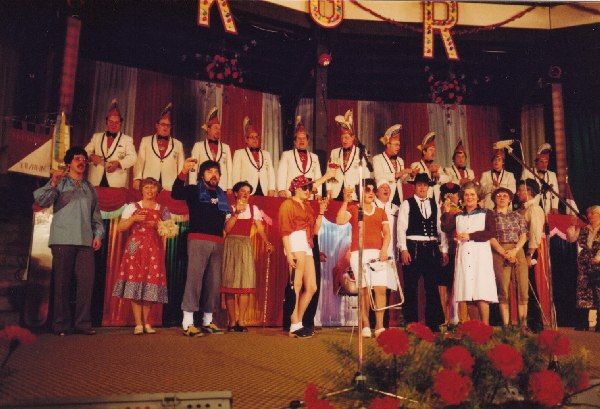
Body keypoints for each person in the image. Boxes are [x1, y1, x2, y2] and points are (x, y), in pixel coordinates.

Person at [33, 146, 104, 336]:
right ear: (69, 163)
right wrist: (53, 182)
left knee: (86, 284)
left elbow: (96, 216)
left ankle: (83, 323)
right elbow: (41, 200)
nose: (81, 162)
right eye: (77, 159)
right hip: (63, 239)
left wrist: (98, 235)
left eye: (83, 159)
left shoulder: (90, 188)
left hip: (85, 242)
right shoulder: (60, 183)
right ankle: (61, 325)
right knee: (62, 284)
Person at [172, 159, 230, 336]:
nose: (214, 175)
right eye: (209, 171)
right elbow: (175, 193)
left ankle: (207, 321)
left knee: (213, 283)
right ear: (202, 175)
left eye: (216, 172)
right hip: (198, 239)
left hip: (217, 242)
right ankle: (188, 322)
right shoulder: (193, 190)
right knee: (194, 280)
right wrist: (183, 171)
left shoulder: (222, 195)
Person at [336, 179, 395, 338]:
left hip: (378, 254)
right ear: (360, 192)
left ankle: (380, 326)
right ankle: (366, 325)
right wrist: (345, 201)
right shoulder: (354, 209)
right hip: (358, 253)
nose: (370, 193)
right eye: (366, 190)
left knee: (380, 289)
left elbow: (387, 233)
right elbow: (339, 220)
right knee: (364, 291)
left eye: (372, 190)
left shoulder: (380, 211)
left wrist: (384, 249)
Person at [112, 177, 170, 335]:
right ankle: (138, 324)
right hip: (135, 248)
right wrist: (134, 219)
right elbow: (121, 227)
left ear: (157, 190)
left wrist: (158, 225)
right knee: (135, 282)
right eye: (146, 187)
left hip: (154, 248)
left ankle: (147, 322)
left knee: (150, 283)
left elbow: (170, 231)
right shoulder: (132, 207)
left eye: (153, 187)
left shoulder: (162, 209)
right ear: (142, 190)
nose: (150, 190)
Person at [278, 174, 331, 338]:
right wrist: (288, 253)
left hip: (307, 242)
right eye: (304, 188)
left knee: (312, 286)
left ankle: (298, 322)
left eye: (309, 188)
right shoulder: (288, 204)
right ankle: (294, 324)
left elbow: (315, 230)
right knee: (296, 284)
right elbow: (284, 231)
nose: (308, 191)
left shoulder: (307, 206)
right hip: (294, 239)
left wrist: (321, 212)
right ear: (296, 189)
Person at [441, 182, 498, 325]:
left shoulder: (486, 213)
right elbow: (446, 227)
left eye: (472, 194)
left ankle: (485, 327)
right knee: (468, 293)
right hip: (464, 256)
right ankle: (475, 328)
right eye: (466, 195)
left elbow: (491, 232)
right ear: (462, 197)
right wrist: (446, 212)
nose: (469, 197)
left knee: (481, 292)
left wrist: (470, 236)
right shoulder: (458, 215)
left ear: (478, 197)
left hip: (480, 256)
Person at [398, 173, 449, 331]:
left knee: (432, 286)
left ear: (428, 187)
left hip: (431, 248)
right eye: (419, 185)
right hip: (413, 247)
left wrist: (444, 249)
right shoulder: (407, 203)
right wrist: (403, 249)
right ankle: (411, 322)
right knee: (411, 286)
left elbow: (440, 228)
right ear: (414, 186)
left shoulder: (434, 204)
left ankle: (433, 323)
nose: (422, 188)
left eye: (425, 185)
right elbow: (401, 228)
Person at [221, 181, 274, 332]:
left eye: (248, 192)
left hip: (245, 246)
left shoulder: (253, 209)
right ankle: (232, 321)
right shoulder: (229, 208)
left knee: (245, 284)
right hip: (231, 245)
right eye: (242, 191)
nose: (245, 194)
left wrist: (267, 243)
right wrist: (236, 213)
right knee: (230, 284)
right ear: (236, 193)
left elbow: (260, 228)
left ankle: (241, 321)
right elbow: (227, 229)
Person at [488, 187, 529, 328]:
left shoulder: (517, 215)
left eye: (505, 196)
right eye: (498, 196)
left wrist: (515, 250)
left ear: (510, 199)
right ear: (494, 199)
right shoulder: (490, 216)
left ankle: (523, 325)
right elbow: (490, 236)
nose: (502, 198)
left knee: (523, 287)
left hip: (517, 250)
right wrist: (504, 253)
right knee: (503, 289)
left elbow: (523, 235)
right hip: (499, 251)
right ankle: (506, 326)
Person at [516, 178, 546, 331]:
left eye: (520, 190)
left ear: (529, 191)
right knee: (524, 286)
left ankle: (536, 322)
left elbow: (535, 232)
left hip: (529, 249)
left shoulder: (534, 209)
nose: (518, 193)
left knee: (530, 286)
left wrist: (530, 253)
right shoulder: (522, 209)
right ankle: (527, 321)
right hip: (522, 248)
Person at [85, 99, 137, 188]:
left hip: (116, 182)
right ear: (106, 122)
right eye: (111, 122)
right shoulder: (97, 137)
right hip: (95, 180)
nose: (113, 125)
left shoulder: (127, 139)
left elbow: (133, 158)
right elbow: (85, 152)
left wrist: (119, 164)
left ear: (120, 124)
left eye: (117, 122)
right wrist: (91, 157)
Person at [133, 103, 185, 191]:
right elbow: (140, 162)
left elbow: (181, 167)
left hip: (170, 186)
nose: (165, 128)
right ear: (157, 125)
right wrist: (137, 179)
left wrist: (180, 184)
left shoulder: (178, 144)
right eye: (163, 124)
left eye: (168, 125)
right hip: (149, 184)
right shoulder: (146, 141)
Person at [567, 206, 600, 332]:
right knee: (583, 292)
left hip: (598, 264)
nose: (589, 216)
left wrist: (598, 258)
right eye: (588, 213)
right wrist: (572, 225)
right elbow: (571, 238)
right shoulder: (584, 229)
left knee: (598, 292)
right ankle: (582, 322)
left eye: (592, 213)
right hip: (585, 264)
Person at [327, 109, 369, 201]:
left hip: (353, 193)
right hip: (336, 192)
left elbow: (365, 175)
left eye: (346, 137)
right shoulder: (334, 152)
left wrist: (363, 192)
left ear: (353, 137)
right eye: (342, 138)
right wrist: (329, 189)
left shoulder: (360, 152)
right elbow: (329, 172)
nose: (344, 140)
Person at [190, 107, 233, 193]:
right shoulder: (198, 146)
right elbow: (193, 169)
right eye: (215, 128)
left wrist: (229, 187)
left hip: (222, 188)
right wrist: (192, 187)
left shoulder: (226, 147)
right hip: (203, 187)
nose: (218, 131)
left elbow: (229, 170)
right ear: (208, 129)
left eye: (219, 128)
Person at [277, 116, 322, 198]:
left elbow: (318, 176)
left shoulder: (314, 157)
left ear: (307, 141)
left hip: (309, 195)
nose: (302, 141)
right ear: (295, 142)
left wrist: (318, 194)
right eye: (299, 138)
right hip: (291, 194)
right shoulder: (287, 155)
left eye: (304, 138)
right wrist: (281, 190)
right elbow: (281, 174)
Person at [231, 117, 276, 196]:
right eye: (252, 137)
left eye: (256, 137)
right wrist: (238, 190)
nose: (255, 139)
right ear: (246, 140)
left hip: (264, 191)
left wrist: (271, 188)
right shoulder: (239, 153)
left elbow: (270, 173)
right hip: (246, 191)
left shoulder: (266, 154)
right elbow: (235, 174)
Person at [438, 182, 462, 326]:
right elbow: (442, 232)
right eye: (447, 194)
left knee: (455, 285)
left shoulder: (461, 211)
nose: (451, 197)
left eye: (453, 194)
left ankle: (455, 317)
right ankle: (444, 318)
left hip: (457, 251)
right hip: (443, 251)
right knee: (443, 285)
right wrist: (444, 250)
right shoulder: (438, 209)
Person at [372, 124, 412, 206]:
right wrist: (398, 174)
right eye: (396, 145)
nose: (398, 147)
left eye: (399, 145)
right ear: (388, 145)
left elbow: (403, 180)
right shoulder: (377, 159)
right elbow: (378, 176)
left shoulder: (400, 160)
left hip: (398, 197)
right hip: (384, 197)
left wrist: (410, 175)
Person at [409, 131, 450, 202]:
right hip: (422, 202)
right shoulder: (416, 165)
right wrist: (429, 171)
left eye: (434, 150)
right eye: (431, 150)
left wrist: (438, 175)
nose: (433, 153)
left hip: (436, 203)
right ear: (424, 152)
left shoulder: (437, 167)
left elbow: (448, 179)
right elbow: (414, 181)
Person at [521, 143, 560, 214]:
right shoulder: (527, 172)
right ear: (536, 162)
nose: (544, 165)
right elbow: (522, 190)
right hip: (531, 208)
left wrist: (555, 207)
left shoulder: (552, 175)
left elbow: (555, 193)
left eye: (546, 162)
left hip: (547, 209)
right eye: (541, 161)